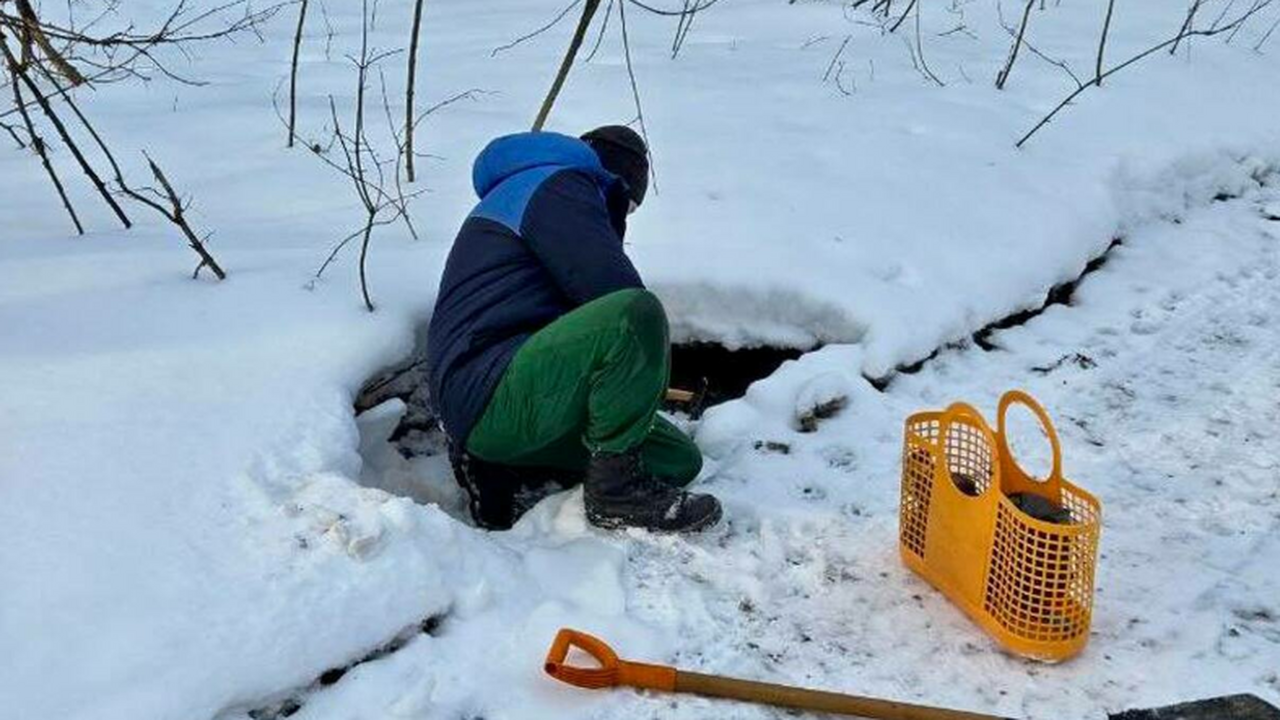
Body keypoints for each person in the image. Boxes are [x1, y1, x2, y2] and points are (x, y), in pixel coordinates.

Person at [425, 126, 723, 533]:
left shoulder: (534, 193)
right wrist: (644, 382)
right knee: (635, 313)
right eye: (627, 208)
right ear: (616, 183)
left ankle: (505, 464)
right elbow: (614, 296)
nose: (622, 220)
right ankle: (614, 492)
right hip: (487, 384)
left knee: (677, 459)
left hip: (495, 397)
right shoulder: (555, 185)